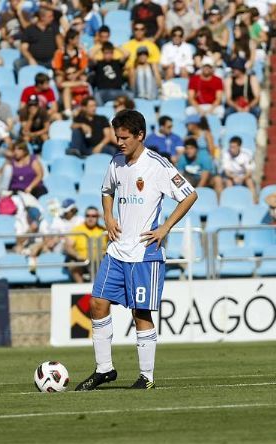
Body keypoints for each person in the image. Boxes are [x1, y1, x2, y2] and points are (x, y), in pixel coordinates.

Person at [75, 109, 197, 391]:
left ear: (140, 136)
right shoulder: (116, 162)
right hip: (117, 250)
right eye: (117, 137)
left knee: (140, 314)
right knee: (97, 303)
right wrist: (108, 217)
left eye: (125, 137)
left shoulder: (157, 165)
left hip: (145, 253)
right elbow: (107, 191)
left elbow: (190, 194)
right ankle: (104, 369)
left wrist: (165, 227)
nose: (120, 142)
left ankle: (146, 377)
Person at [65, 206, 106, 283]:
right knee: (72, 265)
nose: (90, 218)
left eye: (94, 216)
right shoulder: (77, 229)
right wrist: (77, 256)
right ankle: (82, 289)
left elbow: (118, 227)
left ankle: (100, 290)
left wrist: (104, 216)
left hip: (100, 261)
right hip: (82, 260)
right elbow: (68, 247)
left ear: (98, 217)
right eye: (88, 216)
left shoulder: (104, 229)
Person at [220, 136, 257, 202]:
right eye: (230, 147)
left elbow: (249, 172)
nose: (231, 149)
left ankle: (254, 202)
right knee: (229, 182)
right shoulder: (226, 154)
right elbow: (227, 172)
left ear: (239, 146)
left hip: (244, 176)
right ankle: (229, 202)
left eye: (234, 147)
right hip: (231, 176)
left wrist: (242, 178)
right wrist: (234, 177)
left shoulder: (247, 154)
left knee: (250, 182)